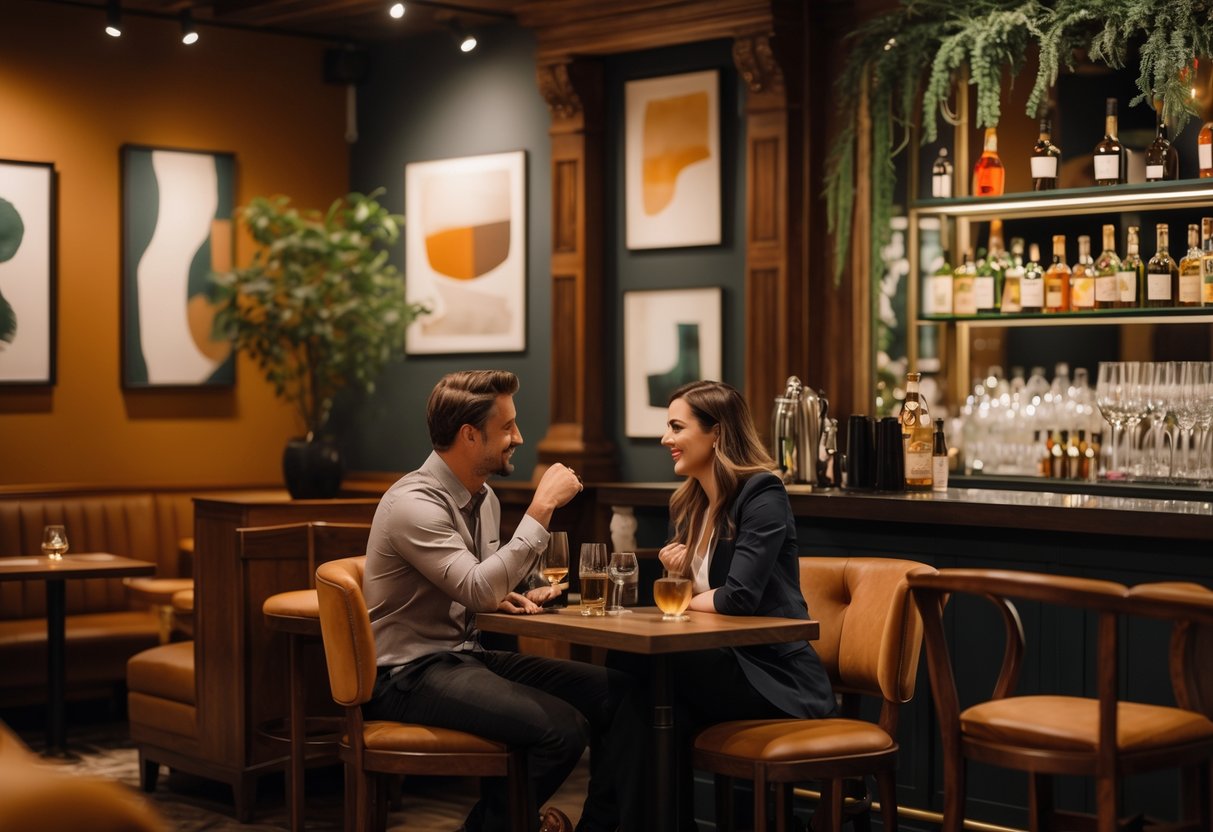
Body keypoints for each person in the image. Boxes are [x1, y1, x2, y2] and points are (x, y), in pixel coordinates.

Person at [362, 370, 640, 832]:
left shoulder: (483, 497)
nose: (519, 437)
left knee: (622, 695)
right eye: (507, 427)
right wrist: (541, 508)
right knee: (562, 729)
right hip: (407, 675)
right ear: (470, 435)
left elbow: (480, 586)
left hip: (464, 658)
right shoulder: (414, 504)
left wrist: (509, 593)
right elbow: (476, 587)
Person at [657, 380, 836, 826]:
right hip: (726, 666)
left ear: (716, 432)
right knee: (639, 694)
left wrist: (686, 595)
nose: (665, 439)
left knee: (647, 679)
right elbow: (704, 600)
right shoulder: (691, 504)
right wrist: (682, 583)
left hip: (776, 676)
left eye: (676, 427)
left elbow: (738, 597)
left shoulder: (762, 493)